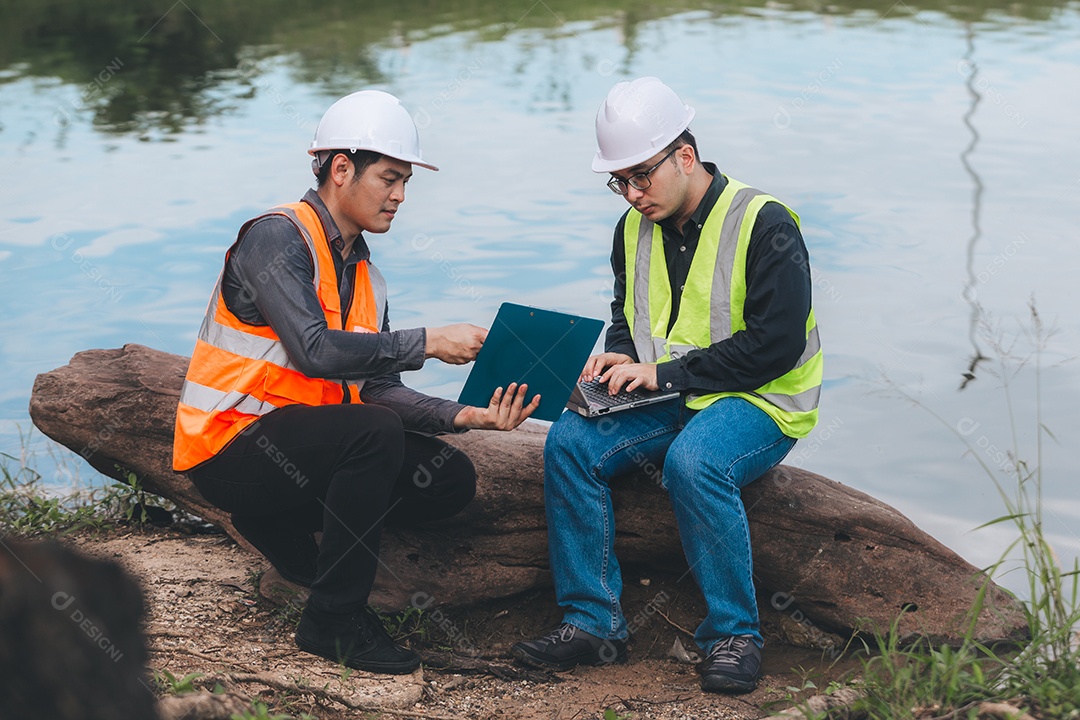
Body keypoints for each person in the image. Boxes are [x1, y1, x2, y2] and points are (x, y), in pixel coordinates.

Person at [173, 90, 538, 675]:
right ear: (341, 169)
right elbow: (315, 351)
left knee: (448, 478)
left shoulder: (367, 275)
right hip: (228, 448)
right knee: (373, 433)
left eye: (405, 183)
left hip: (302, 452)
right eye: (389, 179)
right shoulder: (276, 238)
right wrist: (428, 342)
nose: (400, 197)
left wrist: (466, 417)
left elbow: (379, 390)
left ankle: (281, 524)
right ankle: (333, 621)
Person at [511, 77, 822, 694]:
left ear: (685, 155)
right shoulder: (632, 228)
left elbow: (777, 344)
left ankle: (734, 635)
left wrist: (663, 374)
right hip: (670, 393)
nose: (631, 195)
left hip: (761, 400)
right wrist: (620, 358)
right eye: (619, 182)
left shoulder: (765, 223)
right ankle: (592, 622)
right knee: (570, 442)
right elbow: (627, 313)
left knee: (695, 461)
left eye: (640, 176)